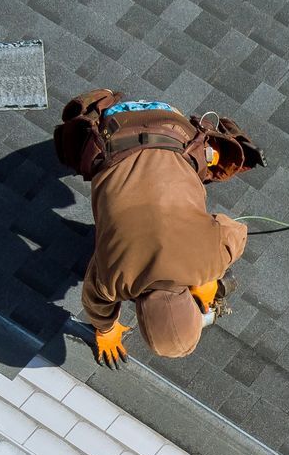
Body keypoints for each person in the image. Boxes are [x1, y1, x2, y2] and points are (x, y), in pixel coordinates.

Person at [52, 90, 264, 366]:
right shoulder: (114, 279)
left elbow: (236, 231)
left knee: (218, 162)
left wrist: (208, 275)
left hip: (173, 124)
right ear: (142, 317)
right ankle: (98, 105)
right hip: (111, 130)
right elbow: (94, 300)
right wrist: (106, 330)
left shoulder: (211, 261)